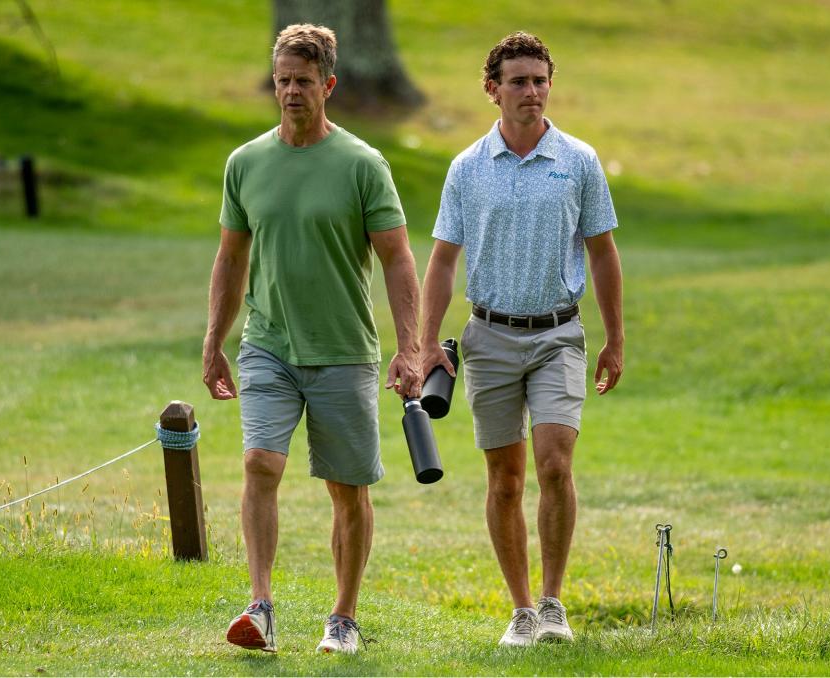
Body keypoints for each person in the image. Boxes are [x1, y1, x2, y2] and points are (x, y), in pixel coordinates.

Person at [202, 24, 422, 655]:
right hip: (268, 344)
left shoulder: (361, 165)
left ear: (329, 84)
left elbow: (398, 258)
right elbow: (230, 258)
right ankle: (262, 608)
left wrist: (410, 348)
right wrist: (215, 338)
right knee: (258, 463)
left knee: (347, 491)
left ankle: (344, 618)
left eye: (302, 80)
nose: (290, 91)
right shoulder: (245, 163)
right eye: (281, 81)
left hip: (344, 352)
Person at [420, 31, 624, 647]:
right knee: (505, 481)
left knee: (555, 463)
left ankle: (554, 602)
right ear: (493, 90)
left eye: (539, 80)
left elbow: (604, 254)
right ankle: (522, 611)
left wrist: (614, 339)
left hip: (559, 334)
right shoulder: (466, 168)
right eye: (518, 81)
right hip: (489, 338)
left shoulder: (579, 161)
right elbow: (442, 262)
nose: (531, 91)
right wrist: (426, 342)